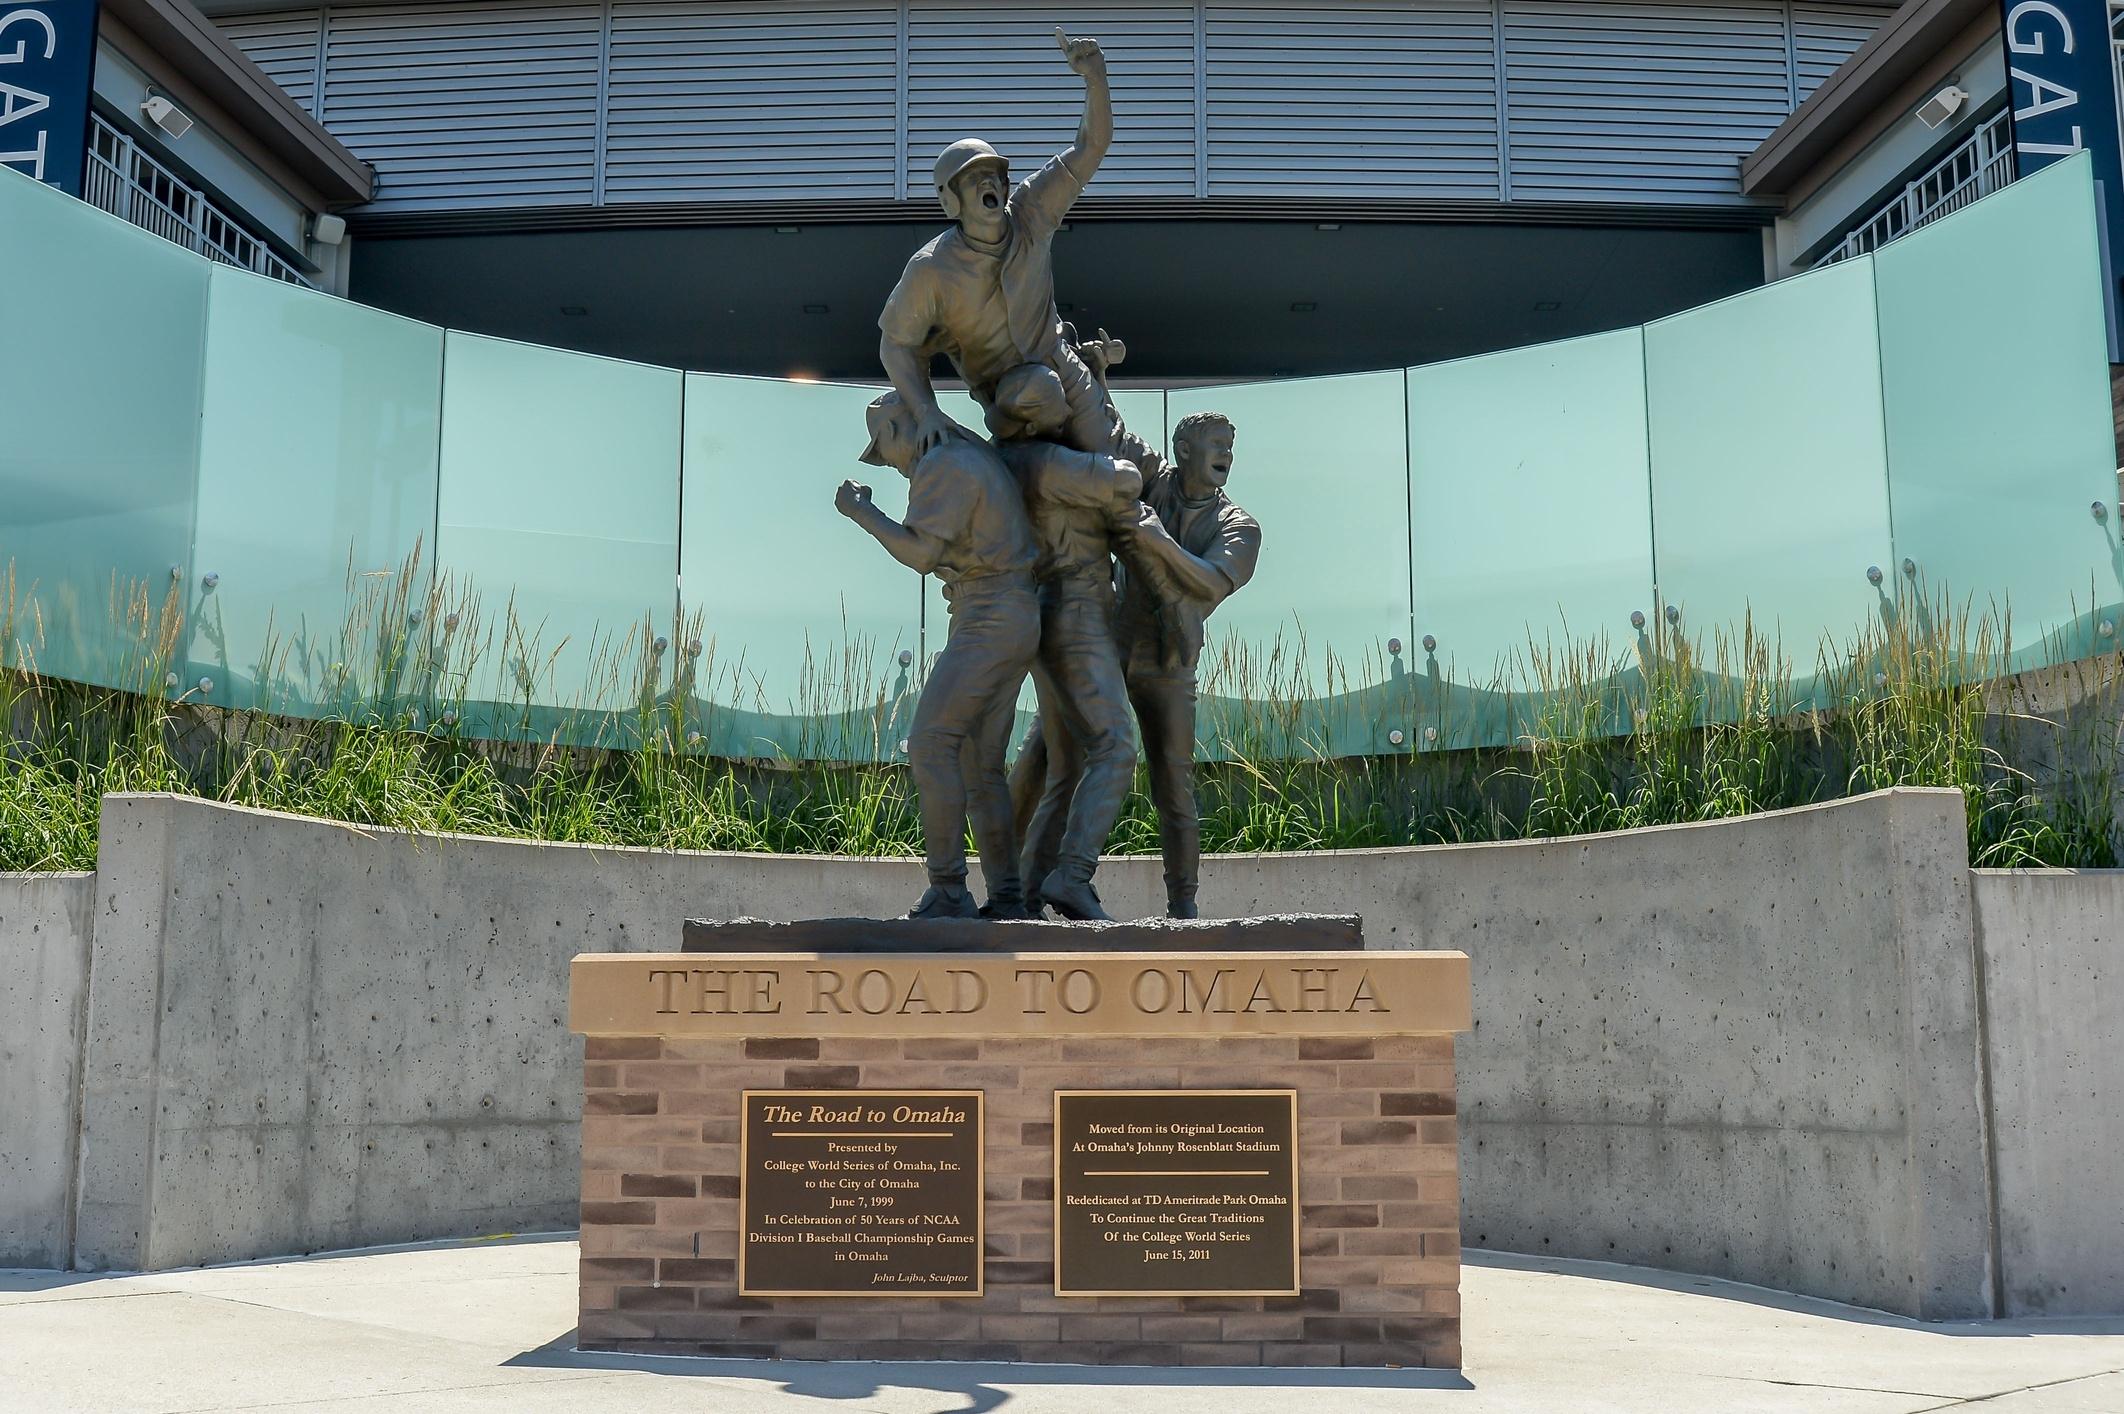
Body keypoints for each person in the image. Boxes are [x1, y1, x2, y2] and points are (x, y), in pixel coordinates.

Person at [834, 392, 1039, 919]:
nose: (895, 467)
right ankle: (1009, 898)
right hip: (1008, 614)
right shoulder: (962, 453)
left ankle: (949, 888)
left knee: (929, 743)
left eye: (885, 451)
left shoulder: (943, 463)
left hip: (990, 616)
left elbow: (922, 553)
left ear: (900, 431)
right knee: (979, 765)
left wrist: (862, 512)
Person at [877, 29, 1117, 457]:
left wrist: (1095, 78)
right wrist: (926, 411)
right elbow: (895, 344)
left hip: (1062, 365)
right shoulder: (931, 268)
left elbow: (1091, 146)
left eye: (995, 174)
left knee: (1115, 462)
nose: (989, 181)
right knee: (1051, 452)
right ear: (951, 200)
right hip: (1012, 394)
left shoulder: (1030, 211)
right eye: (973, 177)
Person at [982, 364, 1143, 921]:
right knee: (1117, 747)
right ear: (1033, 417)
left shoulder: (1010, 458)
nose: (1067, 410)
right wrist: (1097, 417)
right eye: (1057, 403)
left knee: (1065, 762)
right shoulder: (1045, 462)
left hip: (1051, 614)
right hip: (1076, 613)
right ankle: (1073, 874)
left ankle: (1026, 894)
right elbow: (1124, 477)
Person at [1112, 412, 1262, 918]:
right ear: (1183, 449)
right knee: (1058, 752)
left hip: (1169, 663)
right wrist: (1098, 374)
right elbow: (1109, 429)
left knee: (1173, 786)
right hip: (1109, 647)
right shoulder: (1153, 481)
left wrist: (1154, 540)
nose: (1227, 455)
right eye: (1217, 444)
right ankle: (1037, 885)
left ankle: (1184, 908)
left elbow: (1207, 583)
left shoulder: (1239, 526)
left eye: (1230, 445)